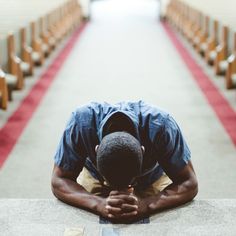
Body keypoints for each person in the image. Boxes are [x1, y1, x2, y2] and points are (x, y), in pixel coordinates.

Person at [51, 100, 198, 222]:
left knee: (160, 223)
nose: (122, 191)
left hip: (151, 178)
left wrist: (147, 205)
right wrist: (98, 203)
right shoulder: (80, 122)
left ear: (142, 150)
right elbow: (59, 180)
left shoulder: (162, 126)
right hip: (96, 177)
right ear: (97, 151)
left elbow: (189, 182)